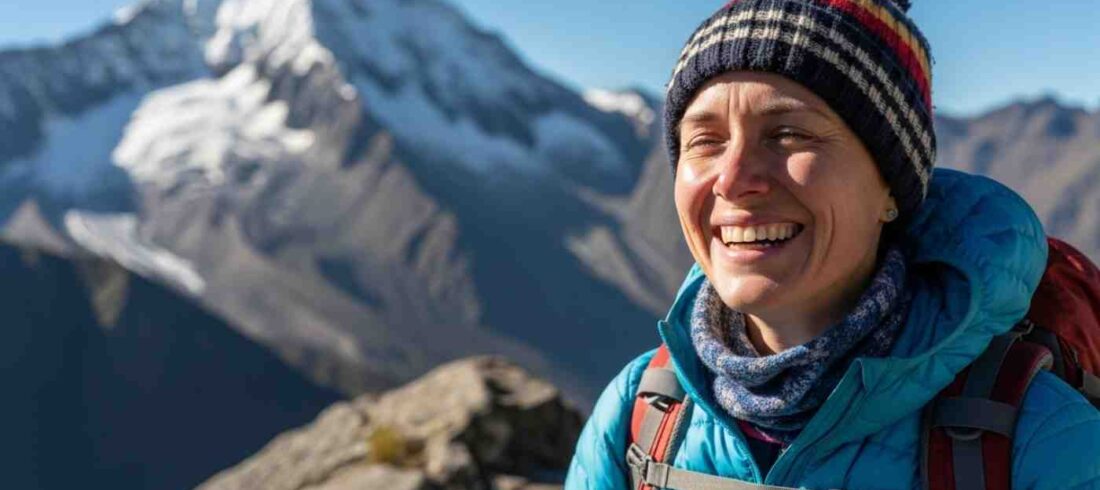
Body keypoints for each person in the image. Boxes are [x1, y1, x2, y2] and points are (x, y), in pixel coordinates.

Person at [564, 0, 1100, 488]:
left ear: (890, 186)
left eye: (789, 134)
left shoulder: (1038, 440)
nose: (732, 179)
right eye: (705, 142)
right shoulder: (641, 416)